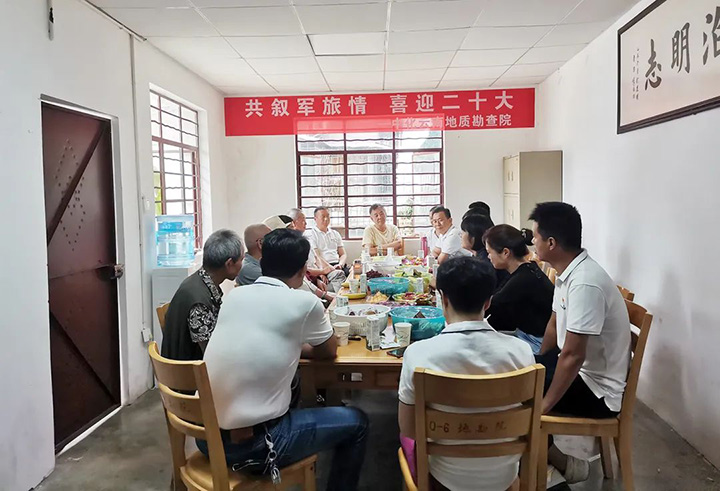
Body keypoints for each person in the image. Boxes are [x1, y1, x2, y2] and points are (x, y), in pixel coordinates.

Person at [201, 229, 368, 490]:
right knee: (357, 422)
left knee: (293, 386)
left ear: (262, 262)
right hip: (256, 445)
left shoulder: (234, 296)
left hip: (205, 436)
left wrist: (288, 345)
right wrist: (296, 344)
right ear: (302, 270)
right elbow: (329, 351)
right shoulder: (304, 302)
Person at [398, 256, 534, 491]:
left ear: (444, 299)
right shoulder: (522, 352)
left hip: (443, 479)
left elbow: (409, 429)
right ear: (488, 302)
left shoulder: (417, 354)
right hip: (504, 480)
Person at [530, 202, 631, 484]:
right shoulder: (568, 273)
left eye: (535, 236)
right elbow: (553, 325)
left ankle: (551, 472)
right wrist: (538, 361)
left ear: (551, 243)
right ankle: (551, 462)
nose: (533, 242)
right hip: (581, 374)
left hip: (597, 392)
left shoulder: (586, 283)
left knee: (517, 393)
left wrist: (544, 405)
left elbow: (574, 356)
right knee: (521, 374)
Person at [161, 229, 244, 361]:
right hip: (189, 370)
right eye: (241, 260)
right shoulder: (199, 303)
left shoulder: (197, 281)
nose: (242, 265)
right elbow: (211, 355)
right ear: (229, 264)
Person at [483, 224, 554, 354]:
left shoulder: (522, 280)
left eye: (489, 252)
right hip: (526, 335)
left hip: (536, 343)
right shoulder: (527, 268)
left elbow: (490, 306)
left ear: (505, 252)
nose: (488, 257)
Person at [460, 213, 509, 287]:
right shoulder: (480, 255)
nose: (461, 235)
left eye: (463, 232)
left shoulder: (486, 260)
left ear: (473, 236)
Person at [305, 206, 349, 275]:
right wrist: (330, 268)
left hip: (338, 264)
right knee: (339, 275)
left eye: (328, 216)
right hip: (324, 266)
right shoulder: (311, 234)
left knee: (356, 271)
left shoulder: (335, 233)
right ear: (315, 219)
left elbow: (343, 254)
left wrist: (340, 264)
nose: (326, 219)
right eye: (323, 217)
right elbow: (317, 256)